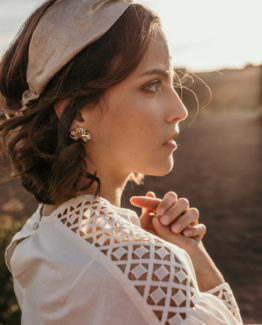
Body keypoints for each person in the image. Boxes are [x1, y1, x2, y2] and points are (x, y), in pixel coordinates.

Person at [0, 0, 243, 324]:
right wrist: (192, 258)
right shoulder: (147, 267)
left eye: (172, 81)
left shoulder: (35, 238)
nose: (180, 109)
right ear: (77, 111)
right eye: (152, 85)